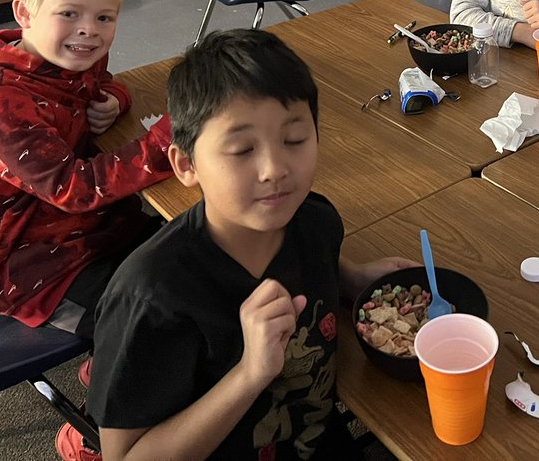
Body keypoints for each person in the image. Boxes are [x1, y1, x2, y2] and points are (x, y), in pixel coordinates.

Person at [88, 29, 414, 460]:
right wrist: (249, 374)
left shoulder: (315, 221)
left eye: (294, 140)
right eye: (242, 149)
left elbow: (311, 260)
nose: (274, 168)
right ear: (186, 165)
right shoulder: (150, 299)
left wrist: (352, 278)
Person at [0, 0, 174, 457]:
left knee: (198, 255)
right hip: (35, 268)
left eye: (104, 17)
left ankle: (110, 361)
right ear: (23, 13)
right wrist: (168, 141)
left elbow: (98, 84)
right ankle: (94, 433)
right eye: (69, 14)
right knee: (164, 318)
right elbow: (77, 188)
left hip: (96, 232)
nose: (89, 30)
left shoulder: (60, 52)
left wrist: (116, 102)